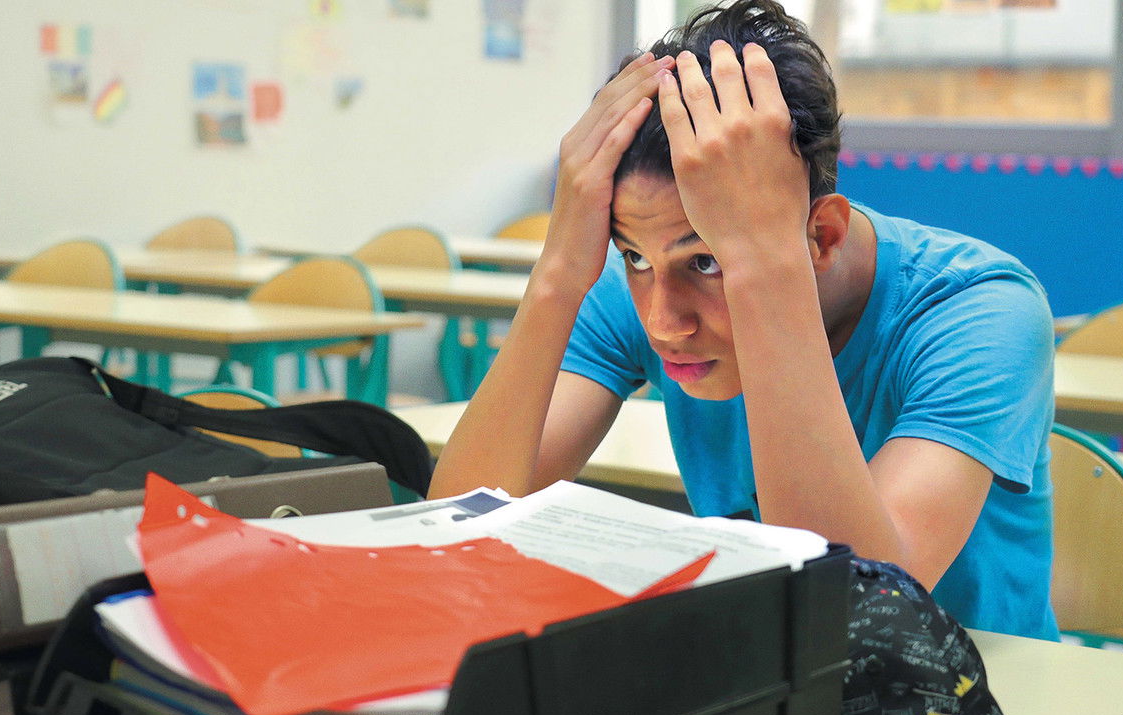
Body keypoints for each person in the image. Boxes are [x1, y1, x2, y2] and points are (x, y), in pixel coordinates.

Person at [429, 0, 1057, 640]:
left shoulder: (979, 309)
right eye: (634, 257)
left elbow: (857, 612)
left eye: (705, 261)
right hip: (768, 668)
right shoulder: (643, 291)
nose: (665, 322)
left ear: (823, 235)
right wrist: (560, 269)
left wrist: (762, 260)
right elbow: (456, 523)